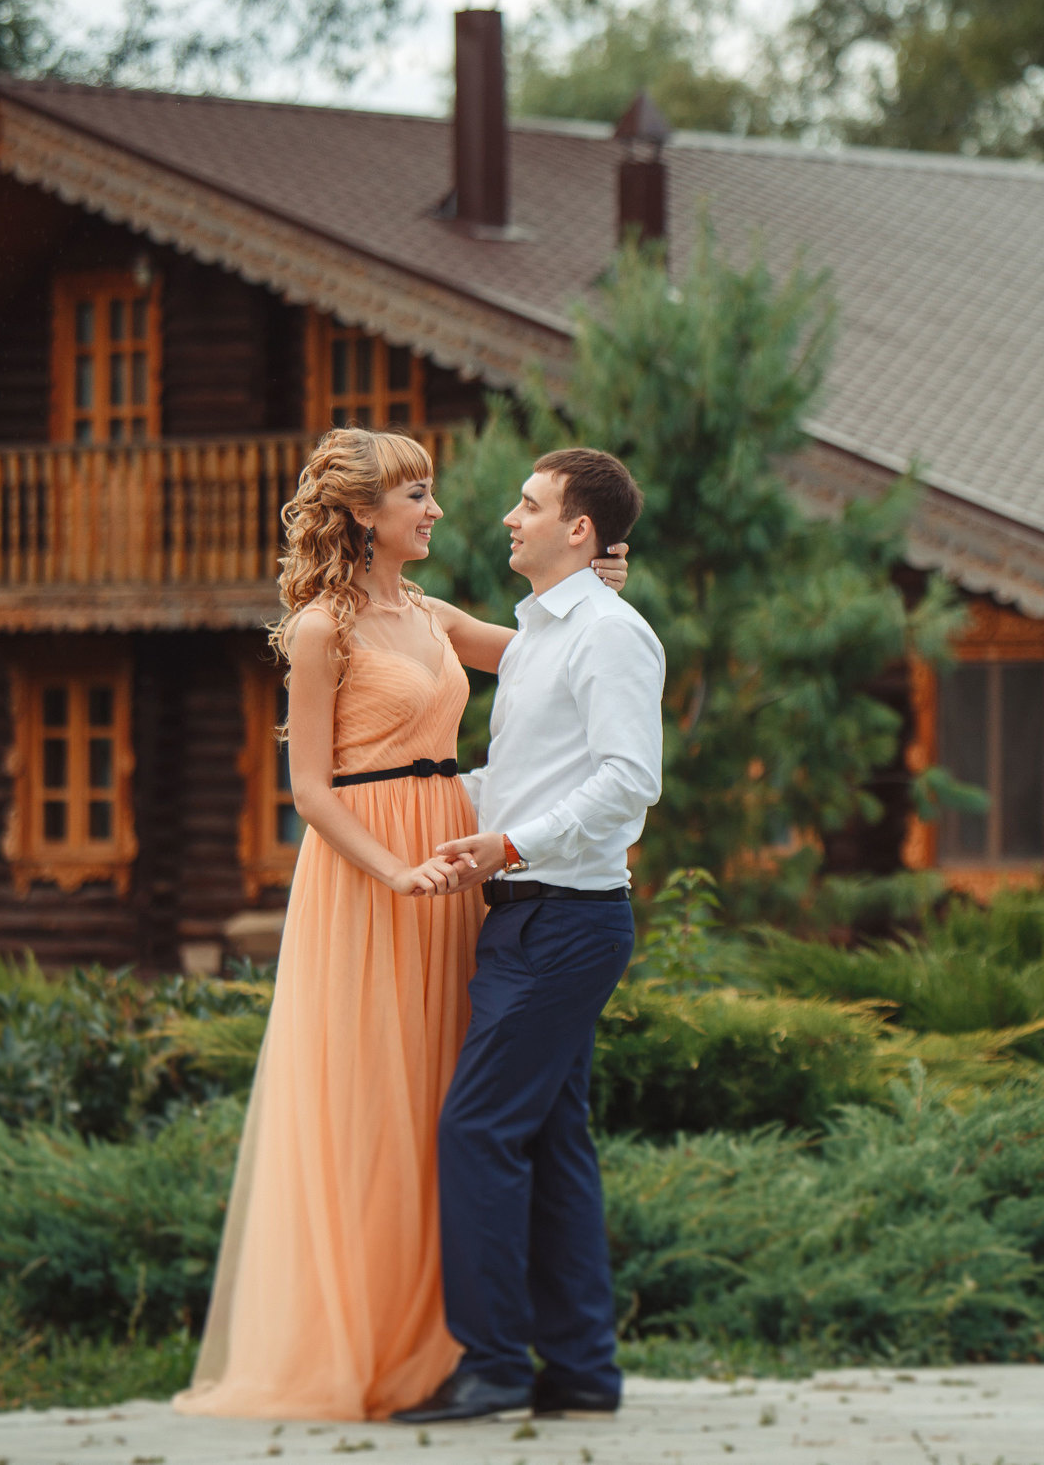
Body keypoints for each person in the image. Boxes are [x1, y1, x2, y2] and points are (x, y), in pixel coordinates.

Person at [174, 428, 628, 1422]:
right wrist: (394, 869)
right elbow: (307, 791)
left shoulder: (430, 615)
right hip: (374, 864)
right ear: (362, 515)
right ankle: (377, 1335)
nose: (434, 508)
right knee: (377, 1092)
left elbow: (551, 659)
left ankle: (465, 1338)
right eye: (413, 493)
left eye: (429, 490)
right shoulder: (317, 629)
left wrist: (599, 578)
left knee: (449, 1100)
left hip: (456, 853)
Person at [393, 447, 664, 1425]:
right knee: (552, 1139)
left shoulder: (609, 635)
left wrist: (512, 841)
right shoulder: (543, 635)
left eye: (530, 502)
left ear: (579, 529)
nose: (509, 515)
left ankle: (495, 1361)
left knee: (476, 1129)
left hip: (564, 916)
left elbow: (630, 777)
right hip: (525, 911)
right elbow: (521, 774)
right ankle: (583, 1367)